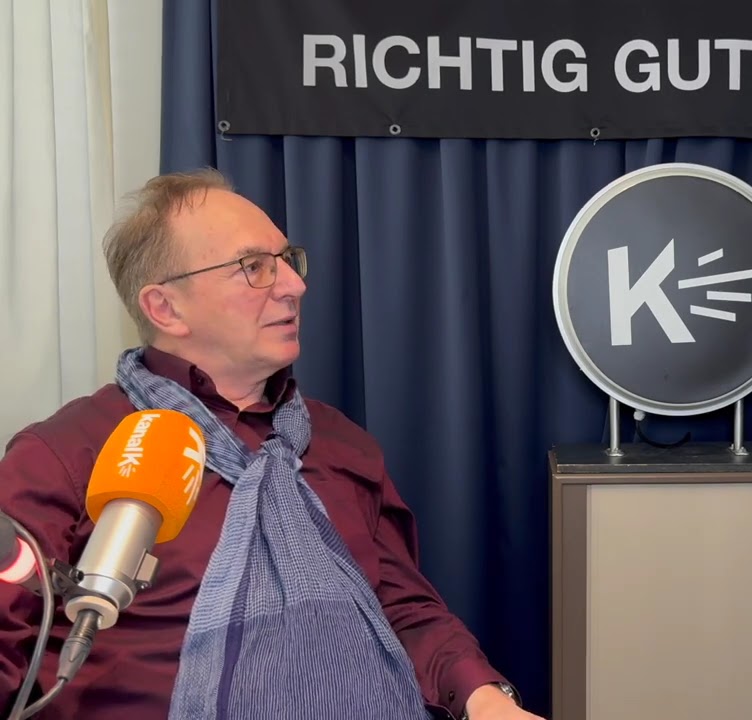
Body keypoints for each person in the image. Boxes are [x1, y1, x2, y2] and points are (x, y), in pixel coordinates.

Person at [0, 169, 542, 720]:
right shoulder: (62, 455)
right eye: (254, 267)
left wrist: (485, 700)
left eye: (287, 260)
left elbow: (403, 609)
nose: (294, 286)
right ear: (166, 308)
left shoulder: (341, 443)